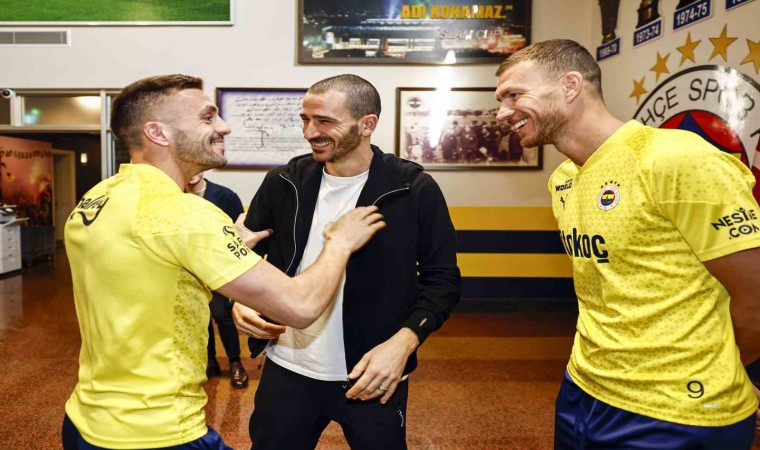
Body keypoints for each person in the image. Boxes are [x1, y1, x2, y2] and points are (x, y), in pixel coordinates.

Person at [62, 74, 385, 450]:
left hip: (86, 420)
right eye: (207, 117)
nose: (224, 126)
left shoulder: (99, 197)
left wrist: (229, 257)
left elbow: (147, 270)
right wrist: (339, 243)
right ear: (158, 132)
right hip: (154, 432)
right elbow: (300, 307)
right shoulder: (184, 214)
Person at [494, 39, 760, 448]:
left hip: (676, 410)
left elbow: (755, 294)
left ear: (570, 86)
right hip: (583, 389)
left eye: (514, 95)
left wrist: (726, 367)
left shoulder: (676, 158)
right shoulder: (564, 178)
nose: (502, 112)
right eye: (500, 100)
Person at [232, 74, 461, 449]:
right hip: (287, 366)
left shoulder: (412, 189)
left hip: (372, 370)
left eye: (324, 121)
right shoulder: (284, 181)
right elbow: (245, 254)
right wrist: (241, 299)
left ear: (367, 124)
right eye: (305, 119)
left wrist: (403, 344)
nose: (310, 132)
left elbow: (443, 281)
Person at [186, 172, 249, 389]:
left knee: (222, 315)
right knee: (199, 316)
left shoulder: (225, 195)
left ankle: (235, 362)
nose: (193, 174)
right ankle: (210, 361)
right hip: (189, 269)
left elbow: (241, 233)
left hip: (218, 267)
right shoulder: (175, 195)